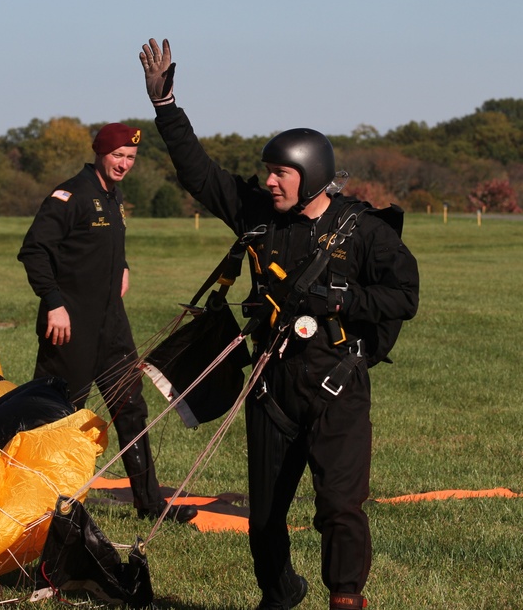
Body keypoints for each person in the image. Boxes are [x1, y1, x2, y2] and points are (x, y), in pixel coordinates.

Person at [140, 38, 419, 609]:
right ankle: (281, 591)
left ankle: (346, 596)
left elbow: (403, 296)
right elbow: (200, 174)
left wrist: (342, 297)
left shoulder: (364, 231)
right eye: (267, 173)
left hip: (335, 383)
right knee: (264, 516)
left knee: (339, 505)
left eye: (280, 174)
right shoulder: (259, 218)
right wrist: (166, 106)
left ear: (310, 174)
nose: (269, 182)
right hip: (271, 386)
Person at [18, 122, 197, 524]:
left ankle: (151, 505)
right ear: (101, 153)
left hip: (111, 326)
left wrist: (124, 265)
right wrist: (53, 303)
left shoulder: (112, 197)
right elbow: (34, 251)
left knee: (131, 407)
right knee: (60, 417)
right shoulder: (70, 195)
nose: (124, 164)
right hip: (69, 325)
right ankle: (40, 502)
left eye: (131, 158)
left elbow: (104, 245)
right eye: (118, 155)